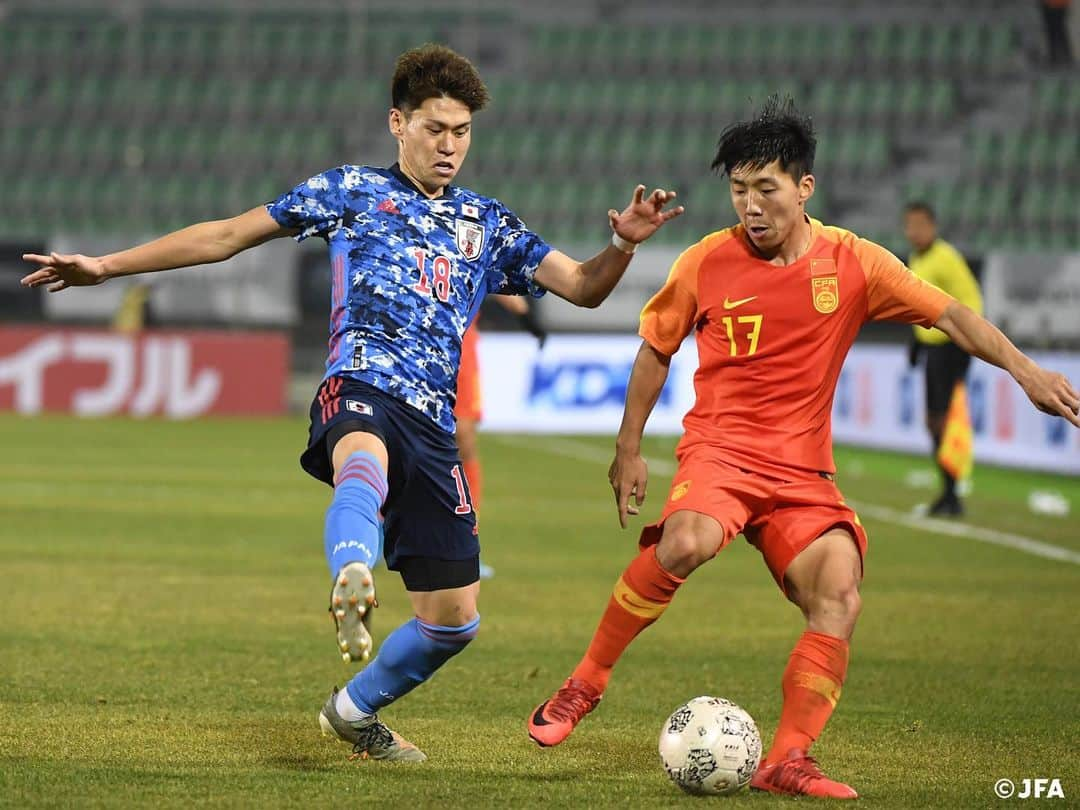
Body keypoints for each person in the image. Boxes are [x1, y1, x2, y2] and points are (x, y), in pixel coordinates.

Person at [21, 44, 684, 763]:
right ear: (398, 123)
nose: (450, 146)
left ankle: (351, 711)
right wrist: (106, 268)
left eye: (462, 132)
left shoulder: (486, 222)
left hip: (433, 423)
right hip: (359, 382)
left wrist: (620, 245)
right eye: (436, 129)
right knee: (360, 463)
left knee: (454, 622)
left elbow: (583, 286)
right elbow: (226, 236)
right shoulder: (350, 191)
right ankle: (353, 570)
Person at [527, 97, 1079, 798]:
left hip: (801, 474)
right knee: (687, 541)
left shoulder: (853, 263)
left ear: (803, 188)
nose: (750, 206)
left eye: (766, 189)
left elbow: (952, 315)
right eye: (738, 190)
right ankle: (584, 685)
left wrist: (1028, 372)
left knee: (839, 590)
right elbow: (655, 350)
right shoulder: (706, 261)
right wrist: (628, 448)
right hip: (721, 455)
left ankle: (787, 758)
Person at [457, 295, 547, 579]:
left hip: (461, 347)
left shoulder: (469, 248)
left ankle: (465, 542)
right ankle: (384, 525)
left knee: (463, 441)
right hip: (415, 338)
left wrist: (527, 318)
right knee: (402, 436)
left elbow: (491, 270)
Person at [903, 202, 983, 516]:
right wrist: (917, 342)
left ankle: (952, 494)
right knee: (934, 421)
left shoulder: (946, 258)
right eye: (909, 225)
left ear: (933, 226)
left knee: (947, 420)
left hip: (951, 349)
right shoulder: (917, 258)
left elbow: (971, 301)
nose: (913, 231)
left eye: (919, 225)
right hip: (933, 349)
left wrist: (964, 346)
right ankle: (948, 492)